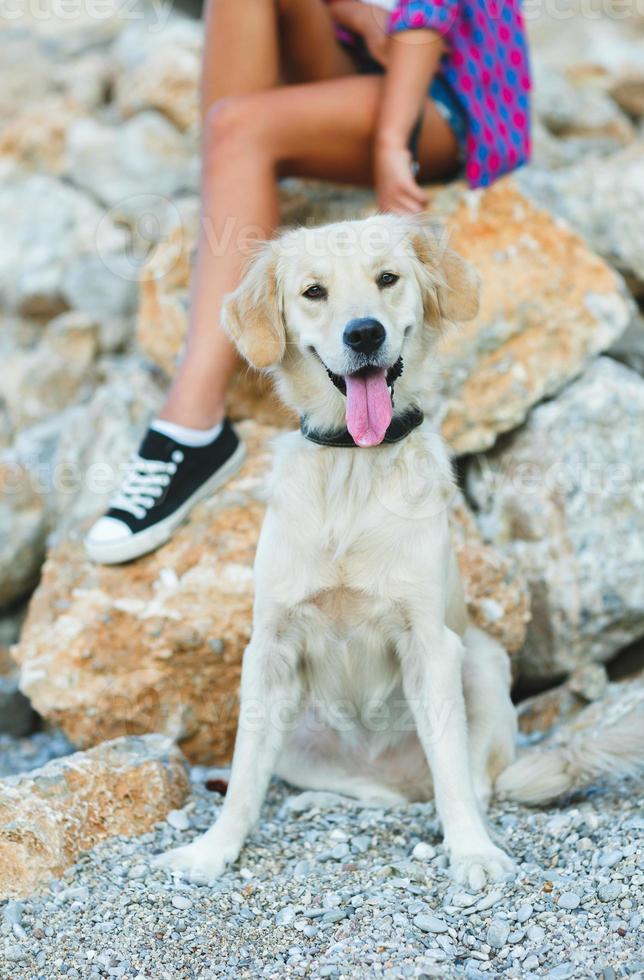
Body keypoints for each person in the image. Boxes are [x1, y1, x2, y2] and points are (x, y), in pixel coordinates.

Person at [85, 0, 531, 565]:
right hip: (364, 56)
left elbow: (427, 16)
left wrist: (393, 141)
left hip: (450, 90)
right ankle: (238, 162)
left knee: (235, 127)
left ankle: (189, 425)